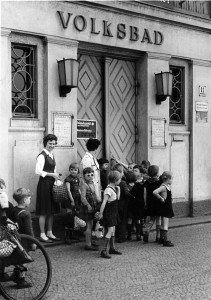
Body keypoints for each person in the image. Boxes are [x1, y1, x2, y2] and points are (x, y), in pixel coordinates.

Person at [35, 134, 61, 243]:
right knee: (44, 210)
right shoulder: (42, 155)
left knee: (52, 210)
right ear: (45, 143)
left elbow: (53, 169)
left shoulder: (52, 155)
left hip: (51, 184)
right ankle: (42, 234)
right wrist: (52, 175)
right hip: (44, 184)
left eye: (54, 143)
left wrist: (56, 177)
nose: (52, 145)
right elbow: (37, 171)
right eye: (50, 143)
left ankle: (50, 232)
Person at [11, 188, 36, 288]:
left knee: (18, 259)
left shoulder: (13, 210)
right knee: (25, 260)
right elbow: (29, 230)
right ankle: (21, 279)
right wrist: (33, 242)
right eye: (29, 198)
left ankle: (15, 274)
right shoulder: (26, 213)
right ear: (25, 200)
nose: (30, 200)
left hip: (15, 238)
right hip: (24, 240)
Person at [99, 170, 122, 259]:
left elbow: (117, 198)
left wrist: (118, 190)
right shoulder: (108, 189)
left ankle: (112, 248)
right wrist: (101, 213)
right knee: (110, 231)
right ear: (116, 180)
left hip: (114, 212)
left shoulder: (114, 188)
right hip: (109, 213)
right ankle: (104, 250)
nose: (120, 181)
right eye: (119, 179)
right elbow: (104, 202)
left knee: (113, 230)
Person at [80, 167, 101, 251]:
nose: (90, 176)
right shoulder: (84, 185)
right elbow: (82, 197)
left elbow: (95, 194)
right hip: (88, 206)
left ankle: (90, 242)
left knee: (92, 225)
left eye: (92, 175)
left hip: (94, 205)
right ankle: (88, 244)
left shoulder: (93, 183)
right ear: (84, 176)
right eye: (88, 175)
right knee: (89, 225)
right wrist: (88, 206)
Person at [112, 163, 134, 243]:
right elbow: (126, 193)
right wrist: (133, 197)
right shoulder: (123, 183)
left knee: (116, 220)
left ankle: (116, 234)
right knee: (123, 221)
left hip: (114, 204)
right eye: (122, 172)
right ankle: (122, 237)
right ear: (120, 173)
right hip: (123, 204)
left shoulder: (112, 182)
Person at [153, 171, 174, 247]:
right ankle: (165, 240)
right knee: (165, 224)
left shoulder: (166, 186)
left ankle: (161, 239)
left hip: (167, 206)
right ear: (168, 179)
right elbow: (155, 192)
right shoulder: (163, 187)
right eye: (171, 179)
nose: (172, 181)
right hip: (165, 207)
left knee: (164, 224)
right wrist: (161, 198)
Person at [143, 165, 161, 243]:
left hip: (150, 202)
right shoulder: (159, 182)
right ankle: (158, 236)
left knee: (151, 219)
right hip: (158, 202)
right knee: (158, 219)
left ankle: (146, 230)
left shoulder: (147, 182)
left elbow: (145, 192)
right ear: (157, 173)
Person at [63, 162, 81, 243]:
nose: (73, 171)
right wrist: (72, 200)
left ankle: (72, 234)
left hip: (77, 199)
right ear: (69, 170)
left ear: (78, 171)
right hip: (70, 200)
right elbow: (68, 190)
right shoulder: (68, 179)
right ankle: (66, 236)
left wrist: (81, 197)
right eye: (72, 170)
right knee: (69, 216)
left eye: (75, 170)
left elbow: (79, 189)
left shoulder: (78, 178)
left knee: (74, 216)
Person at [130, 165, 146, 240]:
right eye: (133, 170)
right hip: (136, 203)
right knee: (137, 218)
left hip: (141, 202)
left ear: (140, 174)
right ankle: (138, 234)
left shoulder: (142, 183)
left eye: (136, 171)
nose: (134, 172)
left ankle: (141, 232)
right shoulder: (134, 182)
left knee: (141, 218)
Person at [126, 172, 137, 241]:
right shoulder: (136, 186)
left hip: (128, 204)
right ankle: (138, 234)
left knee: (129, 219)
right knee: (137, 219)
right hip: (135, 204)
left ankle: (129, 235)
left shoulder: (126, 186)